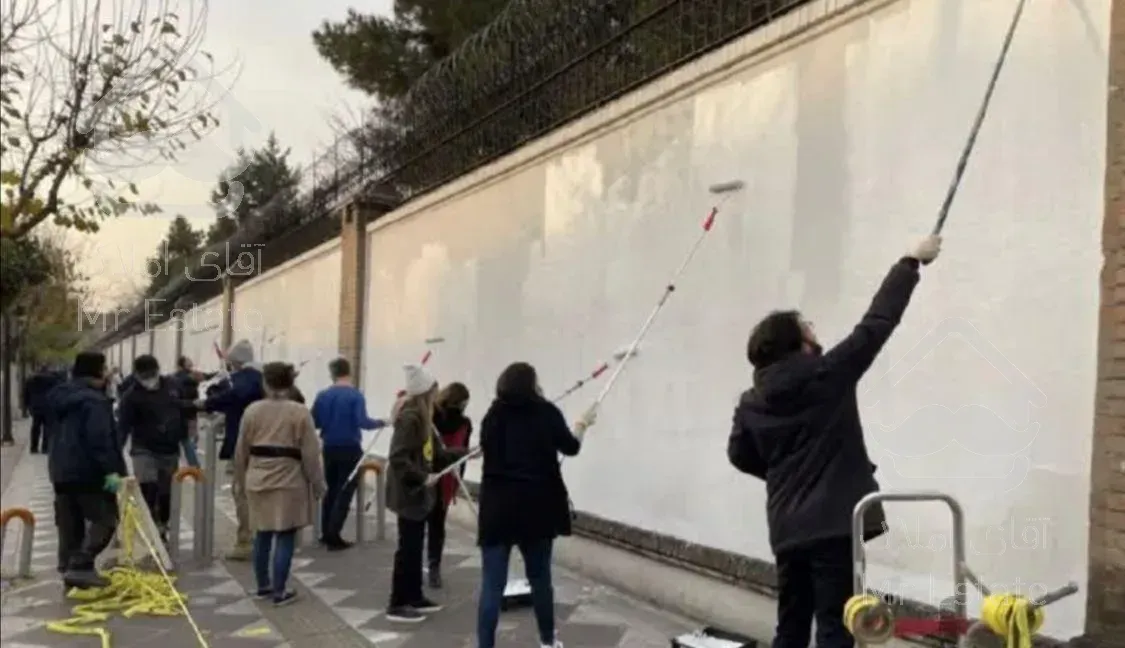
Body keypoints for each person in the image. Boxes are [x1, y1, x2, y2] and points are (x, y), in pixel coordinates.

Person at [727, 235, 942, 648]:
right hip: (834, 525)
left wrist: (782, 473)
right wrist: (909, 263)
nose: (815, 331)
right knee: (836, 624)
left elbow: (738, 455)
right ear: (798, 343)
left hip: (786, 527)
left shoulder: (751, 403)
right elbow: (876, 324)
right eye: (808, 328)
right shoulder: (827, 374)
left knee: (790, 626)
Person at [475, 362, 596, 648]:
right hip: (536, 509)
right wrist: (581, 426)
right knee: (540, 580)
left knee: (492, 585)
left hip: (497, 510)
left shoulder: (493, 416)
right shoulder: (546, 413)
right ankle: (547, 640)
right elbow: (571, 447)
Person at [234, 362, 326, 606]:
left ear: (265, 383)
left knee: (261, 533)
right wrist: (318, 484)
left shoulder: (252, 411)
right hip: (289, 479)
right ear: (290, 383)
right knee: (285, 534)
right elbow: (311, 454)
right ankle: (279, 590)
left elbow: (241, 449)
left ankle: (262, 585)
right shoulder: (300, 412)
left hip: (257, 477)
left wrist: (240, 479)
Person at [384, 364, 467, 623]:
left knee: (415, 546)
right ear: (426, 392)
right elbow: (398, 457)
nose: (437, 395)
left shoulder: (425, 419)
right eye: (434, 390)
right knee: (407, 549)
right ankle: (398, 603)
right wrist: (421, 477)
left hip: (419, 494)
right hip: (409, 492)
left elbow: (437, 455)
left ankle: (415, 595)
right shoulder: (410, 419)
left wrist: (466, 452)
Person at [48, 351, 127, 589]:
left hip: (60, 470)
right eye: (104, 368)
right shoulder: (95, 402)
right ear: (97, 371)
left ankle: (68, 568)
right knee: (106, 519)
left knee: (69, 522)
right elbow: (100, 441)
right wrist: (112, 471)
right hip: (89, 472)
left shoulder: (58, 396)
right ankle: (80, 565)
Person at [197, 339, 264, 561]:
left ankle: (246, 541)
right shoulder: (264, 378)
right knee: (259, 492)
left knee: (242, 492)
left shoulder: (244, 380)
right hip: (266, 445)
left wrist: (206, 403)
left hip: (244, 444)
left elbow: (228, 396)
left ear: (236, 361)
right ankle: (261, 538)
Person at [310, 357, 386, 551]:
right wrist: (382, 422)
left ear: (332, 374)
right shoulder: (355, 396)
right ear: (348, 372)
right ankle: (334, 535)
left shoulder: (323, 395)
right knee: (344, 491)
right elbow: (363, 422)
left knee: (330, 489)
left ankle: (325, 532)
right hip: (350, 448)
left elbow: (314, 422)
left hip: (329, 447)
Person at [117, 355, 192, 544]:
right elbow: (123, 427)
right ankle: (149, 527)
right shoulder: (131, 396)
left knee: (166, 493)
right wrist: (116, 453)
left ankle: (162, 524)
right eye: (143, 376)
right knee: (148, 487)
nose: (148, 380)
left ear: (158, 371)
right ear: (136, 375)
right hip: (144, 449)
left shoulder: (173, 387)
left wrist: (187, 442)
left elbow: (182, 413)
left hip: (169, 449)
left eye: (151, 374)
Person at [426, 381, 472, 589]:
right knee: (437, 524)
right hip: (446, 477)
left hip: (427, 473)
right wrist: (458, 479)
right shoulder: (464, 423)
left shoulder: (430, 416)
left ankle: (418, 564)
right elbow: (463, 453)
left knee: (419, 521)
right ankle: (434, 567)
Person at [23, 365, 63, 453]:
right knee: (47, 427)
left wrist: (27, 405)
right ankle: (45, 447)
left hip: (35, 405)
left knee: (35, 427)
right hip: (48, 405)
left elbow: (26, 393)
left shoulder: (31, 380)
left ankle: (34, 447)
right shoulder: (53, 380)